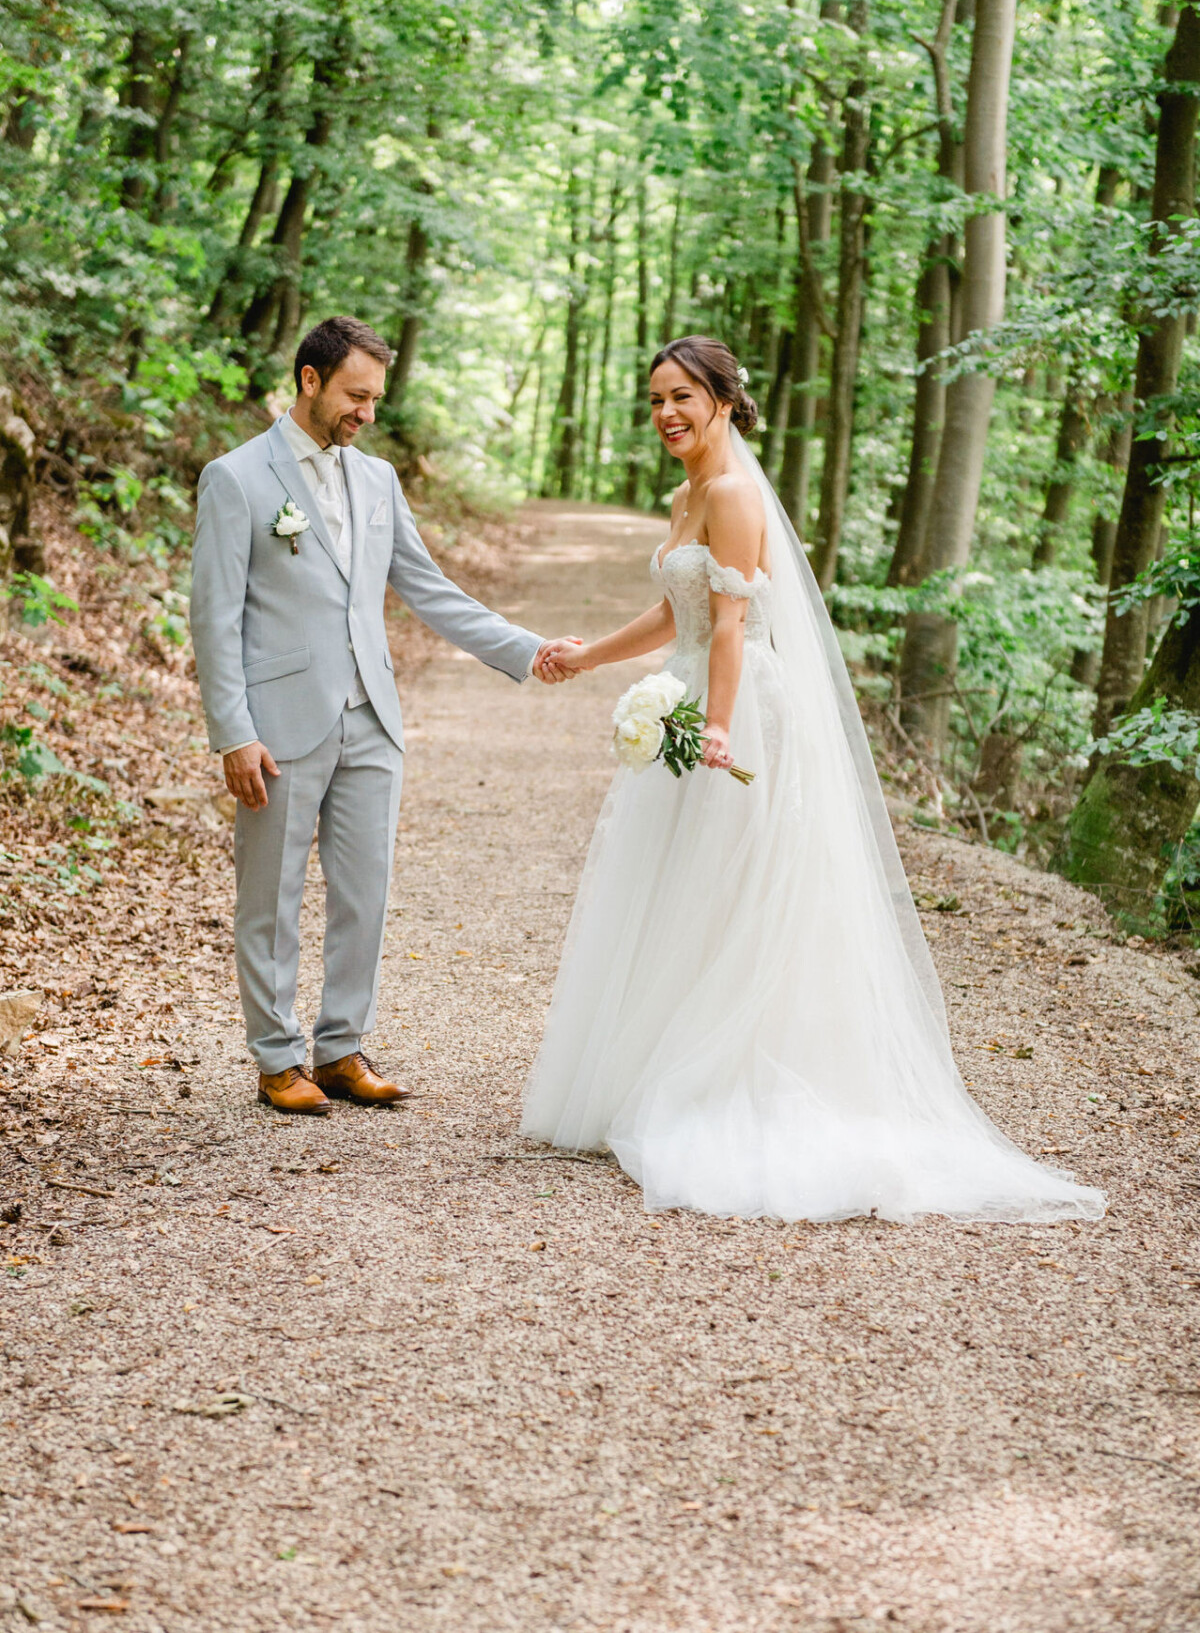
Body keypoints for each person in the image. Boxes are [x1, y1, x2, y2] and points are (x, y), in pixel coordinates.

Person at [524, 336, 1105, 1224]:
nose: (667, 413)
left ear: (723, 401)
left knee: (734, 890)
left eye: (682, 397)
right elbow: (678, 612)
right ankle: (654, 1069)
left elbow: (730, 625)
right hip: (692, 696)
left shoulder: (734, 492)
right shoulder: (686, 495)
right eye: (656, 400)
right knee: (681, 886)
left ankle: (727, 1079)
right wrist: (589, 655)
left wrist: (720, 724)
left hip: (739, 706)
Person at [191, 315, 572, 1116]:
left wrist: (527, 648)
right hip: (278, 724)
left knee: (365, 892)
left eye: (375, 399)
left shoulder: (378, 480)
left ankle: (340, 1048)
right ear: (310, 380)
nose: (367, 413)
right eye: (355, 395)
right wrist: (234, 731)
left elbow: (431, 590)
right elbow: (214, 617)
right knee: (271, 896)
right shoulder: (236, 478)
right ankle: (276, 1058)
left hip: (372, 717)